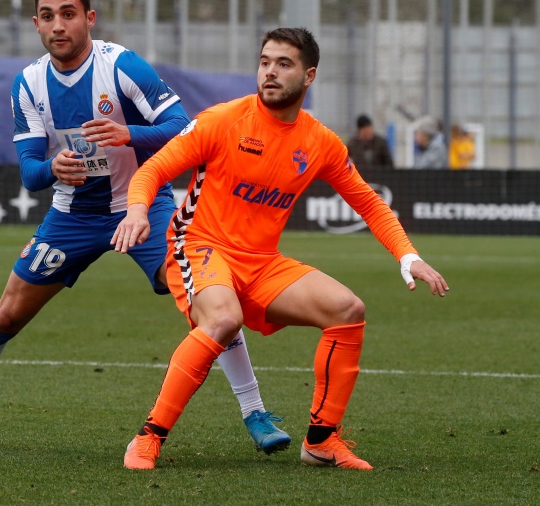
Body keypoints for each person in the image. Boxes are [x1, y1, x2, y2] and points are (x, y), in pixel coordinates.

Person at [0, 0, 290, 455]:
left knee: (206, 300)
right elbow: (29, 172)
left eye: (68, 13)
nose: (58, 25)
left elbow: (188, 131)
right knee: (8, 312)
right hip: (73, 217)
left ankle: (255, 412)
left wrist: (131, 134)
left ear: (89, 18)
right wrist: (53, 167)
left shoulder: (123, 67)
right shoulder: (28, 85)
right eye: (47, 16)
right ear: (37, 25)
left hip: (143, 208)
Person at [111, 27, 449, 471]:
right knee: (223, 319)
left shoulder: (320, 142)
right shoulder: (223, 120)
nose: (269, 71)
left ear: (309, 76)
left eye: (283, 64)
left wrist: (408, 256)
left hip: (261, 261)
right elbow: (152, 170)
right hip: (199, 245)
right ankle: (149, 436)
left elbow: (368, 202)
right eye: (265, 61)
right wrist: (137, 211)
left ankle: (322, 440)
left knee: (348, 309)